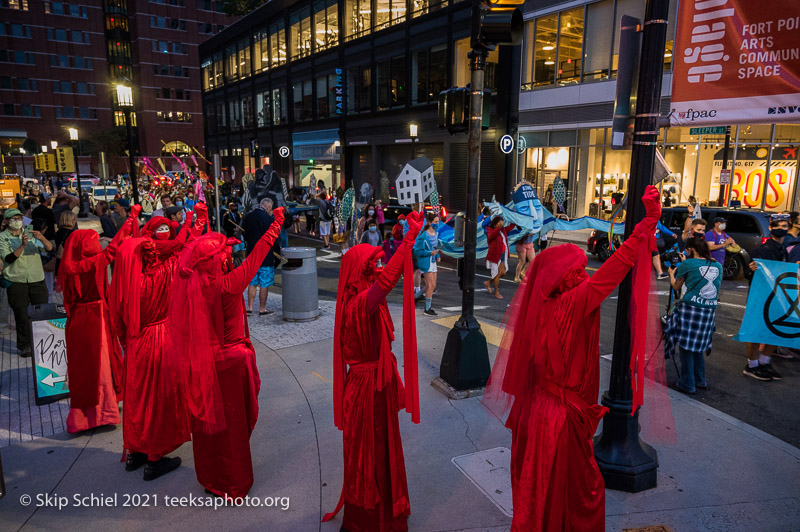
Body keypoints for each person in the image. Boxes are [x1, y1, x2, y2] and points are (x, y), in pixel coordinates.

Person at [483, 185, 662, 532]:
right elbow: (618, 265)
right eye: (578, 271)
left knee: (542, 489)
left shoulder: (542, 307)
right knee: (580, 490)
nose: (584, 275)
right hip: (561, 419)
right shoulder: (574, 303)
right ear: (566, 280)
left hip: (538, 411)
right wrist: (647, 223)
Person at [169, 208, 285, 498]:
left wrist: (201, 221)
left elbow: (194, 247)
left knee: (208, 426)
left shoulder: (189, 283)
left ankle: (211, 479)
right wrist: (277, 223)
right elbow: (259, 252)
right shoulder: (230, 283)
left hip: (202, 362)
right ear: (217, 260)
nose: (227, 255)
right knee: (233, 426)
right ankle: (234, 482)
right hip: (231, 363)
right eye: (222, 254)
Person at [323, 211, 424, 531]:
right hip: (366, 392)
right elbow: (387, 281)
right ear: (359, 273)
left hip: (372, 389)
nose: (378, 267)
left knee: (379, 454)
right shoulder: (359, 304)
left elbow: (383, 280)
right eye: (372, 265)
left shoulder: (362, 301)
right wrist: (408, 240)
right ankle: (367, 521)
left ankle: (381, 514)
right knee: (367, 458)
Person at [108, 203, 207, 481]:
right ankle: (155, 458)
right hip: (161, 339)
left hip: (136, 341)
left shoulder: (129, 279)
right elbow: (190, 246)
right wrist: (198, 218)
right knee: (160, 401)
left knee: (138, 399)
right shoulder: (169, 269)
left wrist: (123, 339)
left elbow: (116, 314)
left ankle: (135, 453)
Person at [58, 207, 140, 432]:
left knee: (84, 370)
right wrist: (130, 219)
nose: (97, 242)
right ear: (85, 245)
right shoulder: (90, 263)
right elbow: (112, 250)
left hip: (78, 320)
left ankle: (85, 417)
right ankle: (102, 413)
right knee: (101, 367)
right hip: (94, 319)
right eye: (93, 239)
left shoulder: (71, 265)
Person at [666, 235, 720, 394]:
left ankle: (687, 383)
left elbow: (676, 286)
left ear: (690, 249)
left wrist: (671, 273)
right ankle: (700, 379)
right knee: (698, 348)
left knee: (686, 347)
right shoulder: (717, 265)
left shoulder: (688, 264)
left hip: (690, 310)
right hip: (709, 311)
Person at [742, 214, 790, 381]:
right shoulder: (761, 250)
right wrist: (751, 269)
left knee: (776, 330)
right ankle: (752, 365)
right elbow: (748, 273)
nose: (782, 229)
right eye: (779, 225)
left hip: (779, 297)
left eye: (785, 226)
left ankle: (764, 362)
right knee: (756, 332)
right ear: (770, 228)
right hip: (761, 298)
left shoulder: (784, 249)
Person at [0, 208, 54, 357]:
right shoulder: (3, 237)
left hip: (36, 277)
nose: (17, 221)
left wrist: (42, 238)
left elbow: (50, 248)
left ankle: (44, 342)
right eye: (13, 219)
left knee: (42, 311)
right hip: (16, 279)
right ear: (6, 221)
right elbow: (8, 258)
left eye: (19, 218)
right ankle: (25, 345)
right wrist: (22, 245)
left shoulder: (30, 232)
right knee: (21, 314)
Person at [243, 198, 281, 316]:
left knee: (252, 282)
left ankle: (249, 307)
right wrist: (278, 252)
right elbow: (273, 238)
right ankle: (262, 308)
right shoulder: (269, 219)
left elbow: (245, 234)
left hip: (251, 254)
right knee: (264, 283)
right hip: (265, 255)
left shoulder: (248, 216)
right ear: (268, 207)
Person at [413, 212, 441, 316]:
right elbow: (418, 251)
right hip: (426, 262)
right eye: (435, 222)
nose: (437, 224)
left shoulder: (436, 233)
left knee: (431, 286)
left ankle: (415, 297)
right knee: (431, 285)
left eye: (438, 222)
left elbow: (435, 247)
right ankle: (427, 309)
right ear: (429, 222)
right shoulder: (423, 236)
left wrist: (437, 255)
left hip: (433, 262)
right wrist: (430, 253)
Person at [484, 216, 515, 299]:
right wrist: (498, 228)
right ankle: (496, 292)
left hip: (502, 254)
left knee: (503, 273)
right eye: (501, 221)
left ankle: (489, 282)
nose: (503, 223)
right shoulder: (490, 230)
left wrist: (515, 218)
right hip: (495, 254)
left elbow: (510, 227)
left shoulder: (502, 230)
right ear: (497, 222)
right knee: (497, 273)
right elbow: (491, 236)